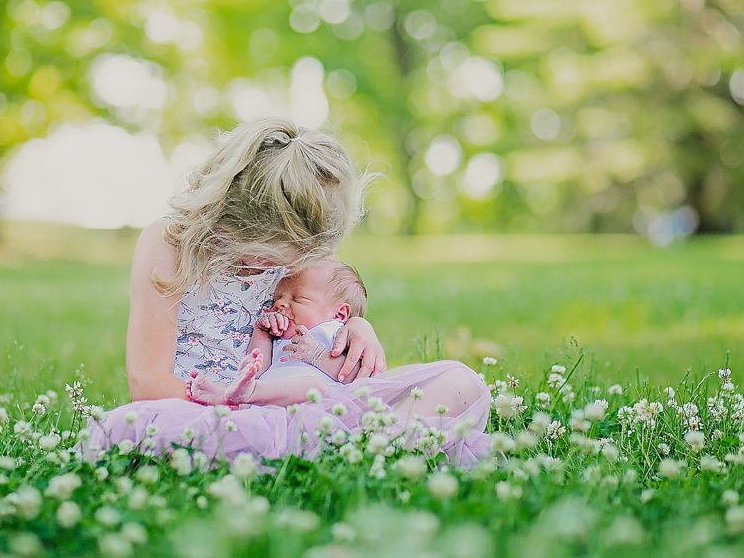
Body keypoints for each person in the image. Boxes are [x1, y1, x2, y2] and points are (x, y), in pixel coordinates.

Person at [83, 118, 491, 466]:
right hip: (208, 413)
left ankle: (338, 448)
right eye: (264, 257)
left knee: (460, 383)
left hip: (304, 404)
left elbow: (328, 310)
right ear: (235, 218)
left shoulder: (303, 241)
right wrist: (239, 403)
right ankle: (349, 451)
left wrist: (358, 325)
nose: (275, 269)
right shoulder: (169, 244)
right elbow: (148, 383)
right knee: (134, 428)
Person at [186, 259, 371, 408]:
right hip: (268, 401)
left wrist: (319, 356)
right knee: (232, 389)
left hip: (314, 402)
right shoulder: (281, 335)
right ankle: (226, 395)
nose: (280, 304)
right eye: (278, 298)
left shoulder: (338, 333)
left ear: (339, 314)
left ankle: (248, 395)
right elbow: (259, 366)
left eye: (298, 298)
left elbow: (359, 376)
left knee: (316, 387)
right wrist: (262, 331)